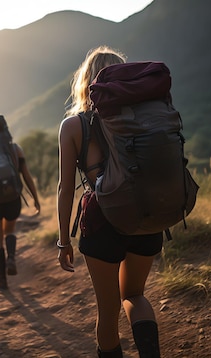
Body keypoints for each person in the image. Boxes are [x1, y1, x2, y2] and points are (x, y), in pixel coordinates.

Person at [56, 46, 162, 358]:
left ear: (86, 82)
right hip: (147, 214)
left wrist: (64, 241)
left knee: (108, 311)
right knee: (136, 295)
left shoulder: (74, 126)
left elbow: (65, 188)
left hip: (102, 219)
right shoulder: (147, 118)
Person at [0, 116, 41, 290]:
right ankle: (11, 257)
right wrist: (35, 198)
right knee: (9, 230)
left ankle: (1, 279)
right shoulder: (15, 149)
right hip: (13, 197)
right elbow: (26, 175)